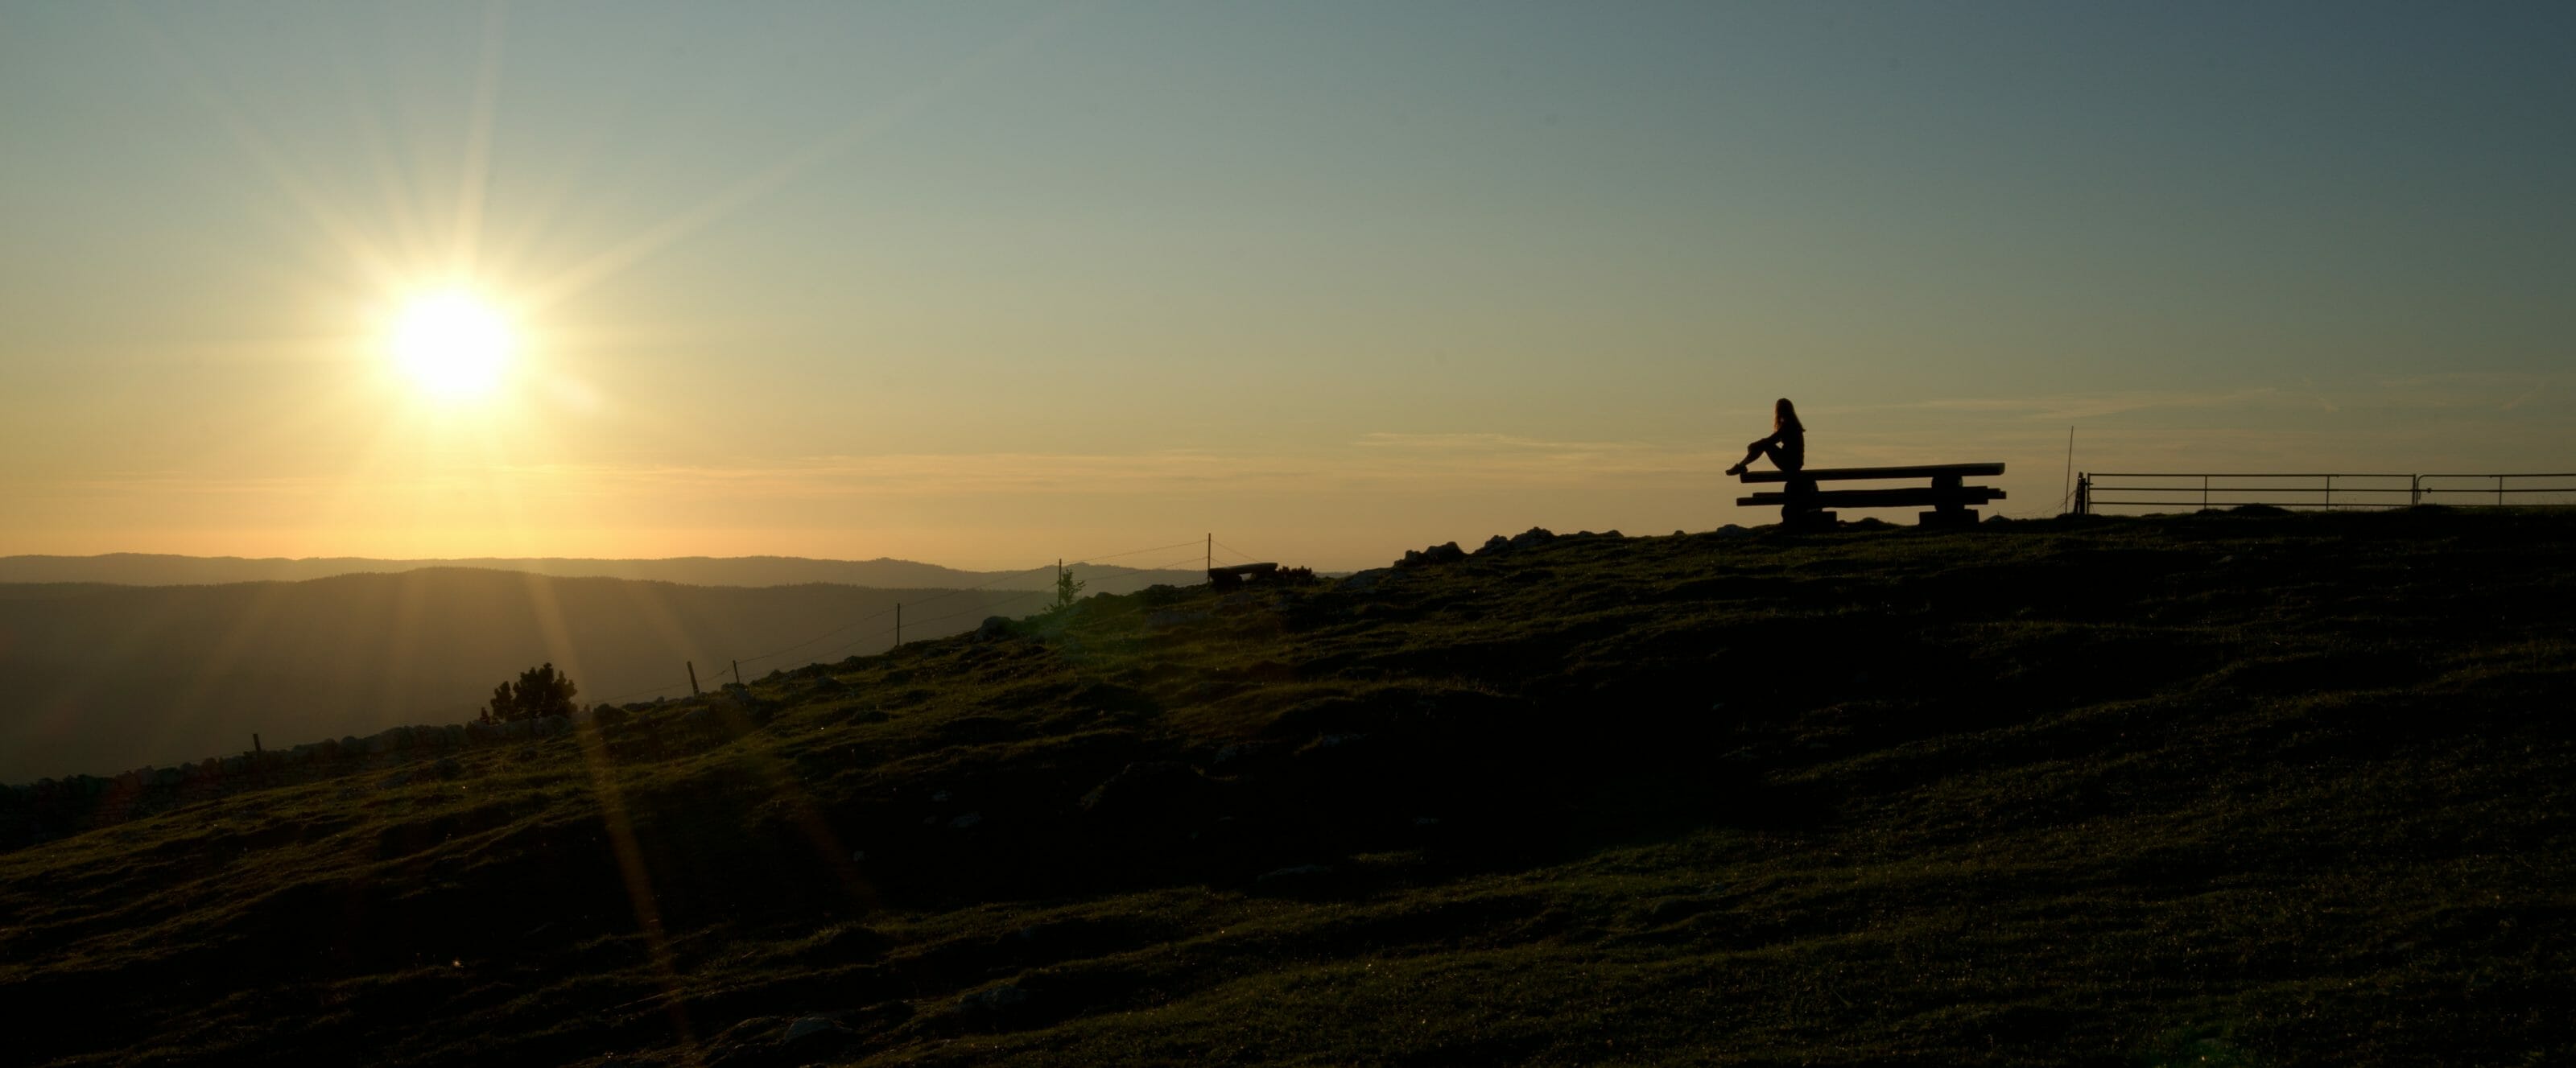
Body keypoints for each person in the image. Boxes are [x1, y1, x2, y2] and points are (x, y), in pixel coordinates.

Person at [1725, 398, 1805, 477]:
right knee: (1764, 444)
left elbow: (1771, 440)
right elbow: (1772, 440)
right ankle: (1741, 466)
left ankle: (1741, 466)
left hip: (1790, 464)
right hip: (1794, 464)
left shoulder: (1788, 425)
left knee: (1765, 444)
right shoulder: (1792, 424)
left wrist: (1755, 445)